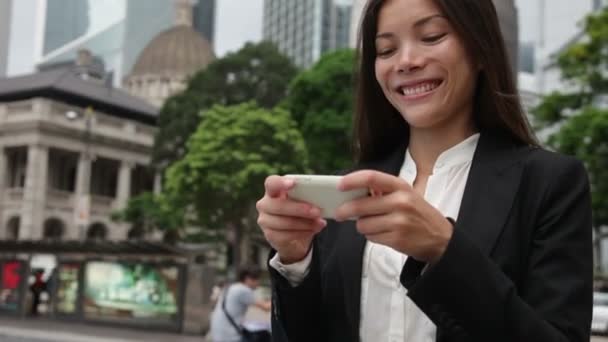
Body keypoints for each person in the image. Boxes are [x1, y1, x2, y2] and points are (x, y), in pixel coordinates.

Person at [255, 0, 593, 341]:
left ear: (479, 48)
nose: (405, 61)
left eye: (431, 36)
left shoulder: (550, 183)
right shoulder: (349, 191)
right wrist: (296, 260)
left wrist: (444, 250)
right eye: (386, 49)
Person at [209, 266, 272, 342]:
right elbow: (266, 307)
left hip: (218, 335)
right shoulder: (243, 290)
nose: (258, 283)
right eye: (256, 279)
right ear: (247, 278)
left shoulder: (232, 287)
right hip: (230, 337)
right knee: (265, 335)